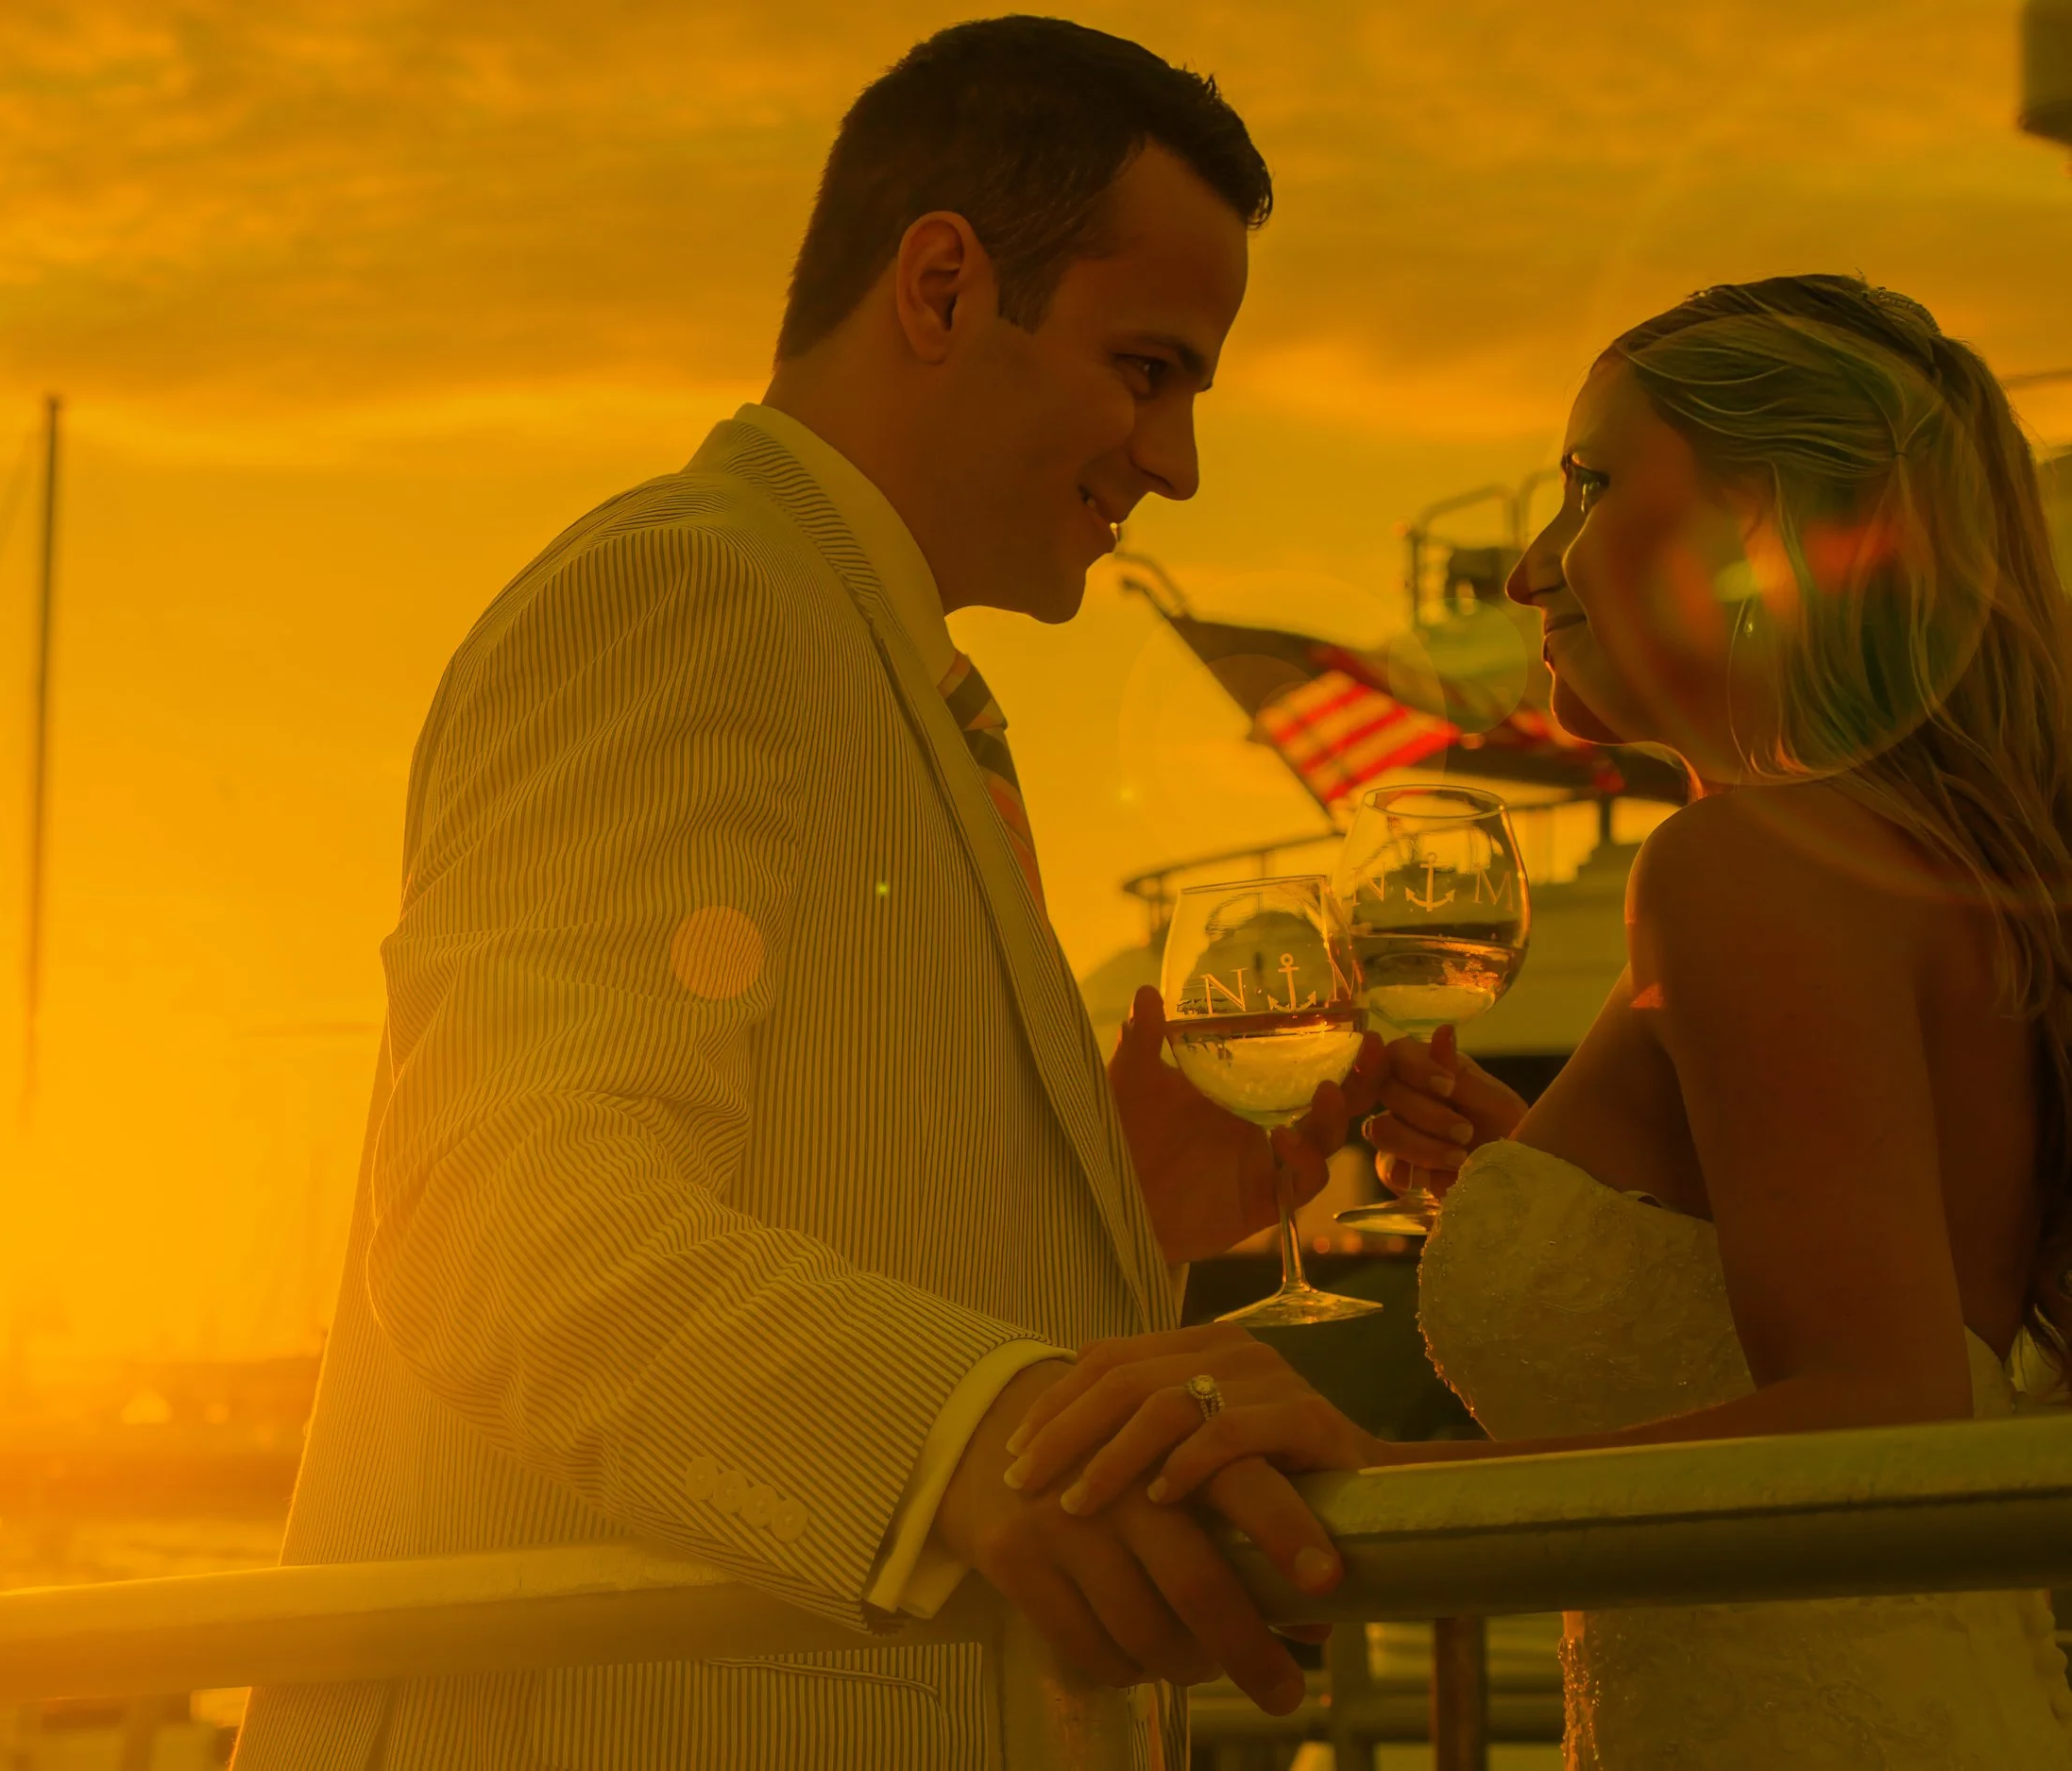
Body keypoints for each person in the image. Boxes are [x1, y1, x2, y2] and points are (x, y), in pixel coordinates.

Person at [233, 20, 1365, 1771]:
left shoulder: (874, 663)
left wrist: (1128, 1208)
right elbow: (507, 1215)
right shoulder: (690, 596)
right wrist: (975, 1430)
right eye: (1148, 367)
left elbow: (823, 1210)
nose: (1178, 457)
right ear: (937, 288)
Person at [1004, 274, 2072, 1766]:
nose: (1531, 568)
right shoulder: (1929, 865)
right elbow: (1884, 1295)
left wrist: (1382, 1486)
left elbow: (1880, 1413)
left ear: (1754, 525)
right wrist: (1566, 1185)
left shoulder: (1741, 861)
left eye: (1587, 485)